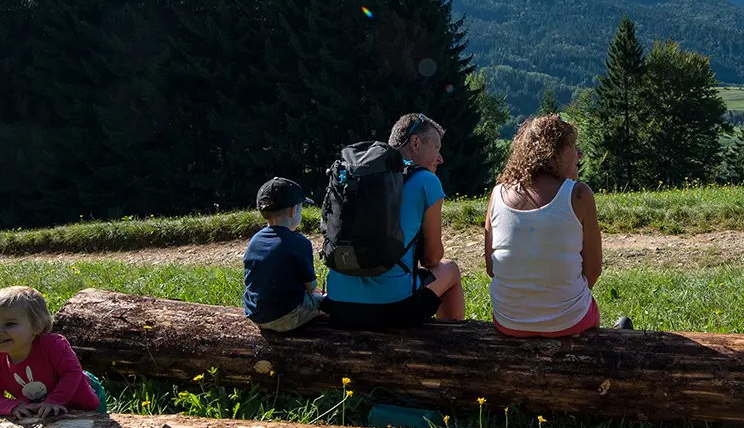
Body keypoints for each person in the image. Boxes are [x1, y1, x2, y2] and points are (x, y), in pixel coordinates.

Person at [323, 113, 465, 329]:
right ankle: (454, 342)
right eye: (436, 148)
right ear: (415, 143)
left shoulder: (354, 177)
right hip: (392, 308)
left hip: (336, 302)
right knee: (451, 269)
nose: (440, 158)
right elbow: (431, 258)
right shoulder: (427, 180)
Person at [485, 114, 610, 336]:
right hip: (570, 321)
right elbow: (593, 270)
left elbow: (491, 268)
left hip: (508, 321)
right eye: (572, 145)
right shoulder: (579, 194)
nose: (579, 153)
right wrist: (560, 302)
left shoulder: (498, 194)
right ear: (554, 152)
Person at [0, 285, 105, 419]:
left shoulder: (52, 345)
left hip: (83, 403)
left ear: (37, 326)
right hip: (44, 415)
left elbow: (72, 372)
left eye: (9, 324)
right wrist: (14, 405)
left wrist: (54, 401)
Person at [243, 177, 325, 332]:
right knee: (324, 302)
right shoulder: (299, 243)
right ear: (294, 210)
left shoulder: (255, 240)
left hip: (255, 314)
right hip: (287, 317)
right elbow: (311, 287)